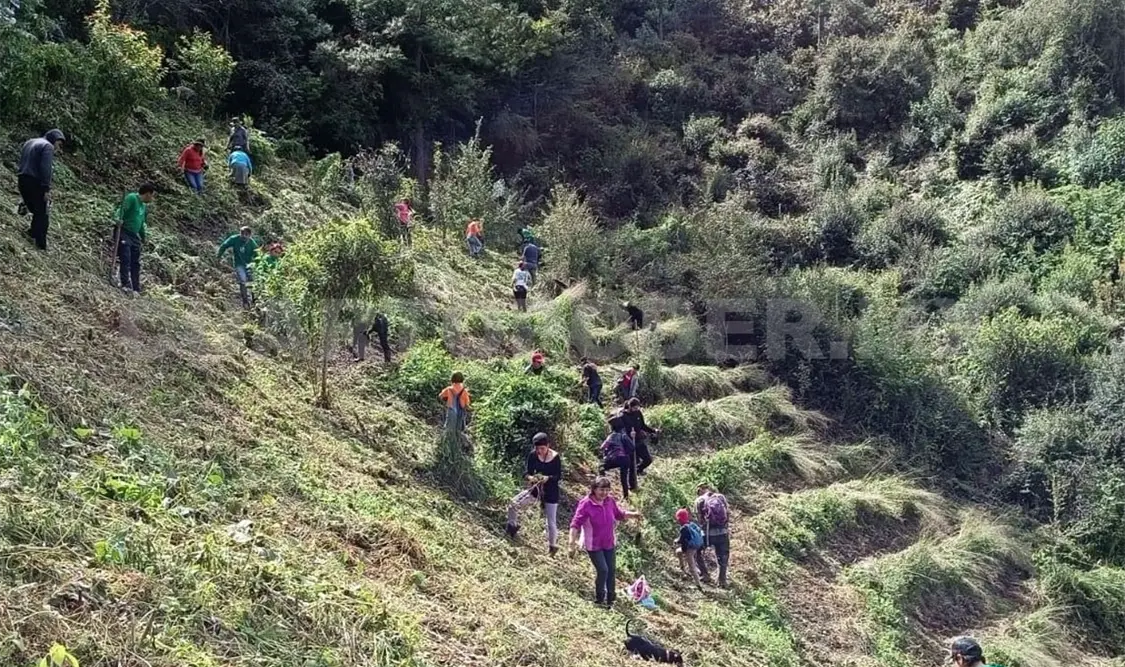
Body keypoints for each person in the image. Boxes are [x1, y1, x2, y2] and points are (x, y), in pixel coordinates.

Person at [568, 476, 642, 607]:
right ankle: (599, 598)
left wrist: (633, 514)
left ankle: (611, 599)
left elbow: (619, 514)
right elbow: (575, 524)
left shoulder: (609, 501)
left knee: (611, 570)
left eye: (607, 490)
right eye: (602, 490)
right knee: (603, 570)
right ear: (594, 489)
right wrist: (571, 545)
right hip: (593, 544)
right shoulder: (586, 504)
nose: (604, 493)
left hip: (608, 542)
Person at [506, 433, 563, 555]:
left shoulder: (555, 457)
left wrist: (547, 478)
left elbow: (558, 476)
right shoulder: (532, 455)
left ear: (548, 446)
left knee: (550, 521)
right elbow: (527, 473)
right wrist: (531, 478)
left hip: (551, 492)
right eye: (537, 449)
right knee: (513, 503)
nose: (540, 451)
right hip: (535, 490)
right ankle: (512, 527)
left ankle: (552, 546)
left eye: (542, 448)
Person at [16, 129, 64, 250]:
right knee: (43, 212)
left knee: (36, 208)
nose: (58, 147)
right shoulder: (48, 146)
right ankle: (40, 243)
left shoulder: (30, 142)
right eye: (59, 143)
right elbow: (45, 168)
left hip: (22, 178)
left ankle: (32, 231)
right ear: (54, 139)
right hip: (35, 181)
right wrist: (46, 188)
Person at [114, 183, 155, 296]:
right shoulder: (132, 198)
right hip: (123, 231)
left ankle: (136, 287)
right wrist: (117, 219)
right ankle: (125, 284)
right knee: (125, 257)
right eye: (152, 196)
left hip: (133, 235)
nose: (152, 199)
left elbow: (141, 223)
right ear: (147, 194)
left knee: (135, 262)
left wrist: (143, 237)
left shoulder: (143, 206)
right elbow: (120, 210)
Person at [693, 483, 731, 588]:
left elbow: (700, 520)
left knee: (696, 551)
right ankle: (722, 580)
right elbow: (727, 513)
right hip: (723, 532)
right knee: (723, 556)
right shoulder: (720, 497)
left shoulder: (699, 501)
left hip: (707, 534)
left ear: (700, 490)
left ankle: (705, 574)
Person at [217, 226, 259, 308]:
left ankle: (255, 301)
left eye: (246, 234)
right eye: (242, 233)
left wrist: (258, 266)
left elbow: (258, 255)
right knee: (243, 281)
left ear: (250, 235)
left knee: (253, 282)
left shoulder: (252, 243)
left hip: (249, 264)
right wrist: (219, 256)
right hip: (239, 264)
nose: (244, 236)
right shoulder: (234, 239)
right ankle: (245, 302)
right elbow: (224, 245)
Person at [598, 412, 636, 498]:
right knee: (624, 478)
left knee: (601, 467)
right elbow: (631, 447)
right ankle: (626, 496)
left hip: (616, 458)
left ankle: (603, 487)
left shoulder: (612, 436)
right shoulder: (624, 435)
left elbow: (602, 447)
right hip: (626, 459)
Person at [623, 398, 659, 476]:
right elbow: (621, 431)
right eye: (635, 408)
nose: (636, 409)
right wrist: (628, 434)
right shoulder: (623, 416)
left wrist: (653, 431)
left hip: (639, 440)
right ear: (630, 407)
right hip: (629, 442)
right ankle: (631, 477)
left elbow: (643, 425)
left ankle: (638, 470)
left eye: (637, 408)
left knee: (648, 460)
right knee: (633, 462)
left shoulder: (638, 413)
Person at [673, 508, 705, 590]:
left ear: (679, 519)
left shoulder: (684, 528)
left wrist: (677, 542)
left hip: (689, 549)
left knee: (691, 566)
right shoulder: (691, 525)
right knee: (678, 552)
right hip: (696, 547)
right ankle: (682, 568)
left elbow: (682, 540)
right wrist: (678, 540)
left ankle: (698, 585)